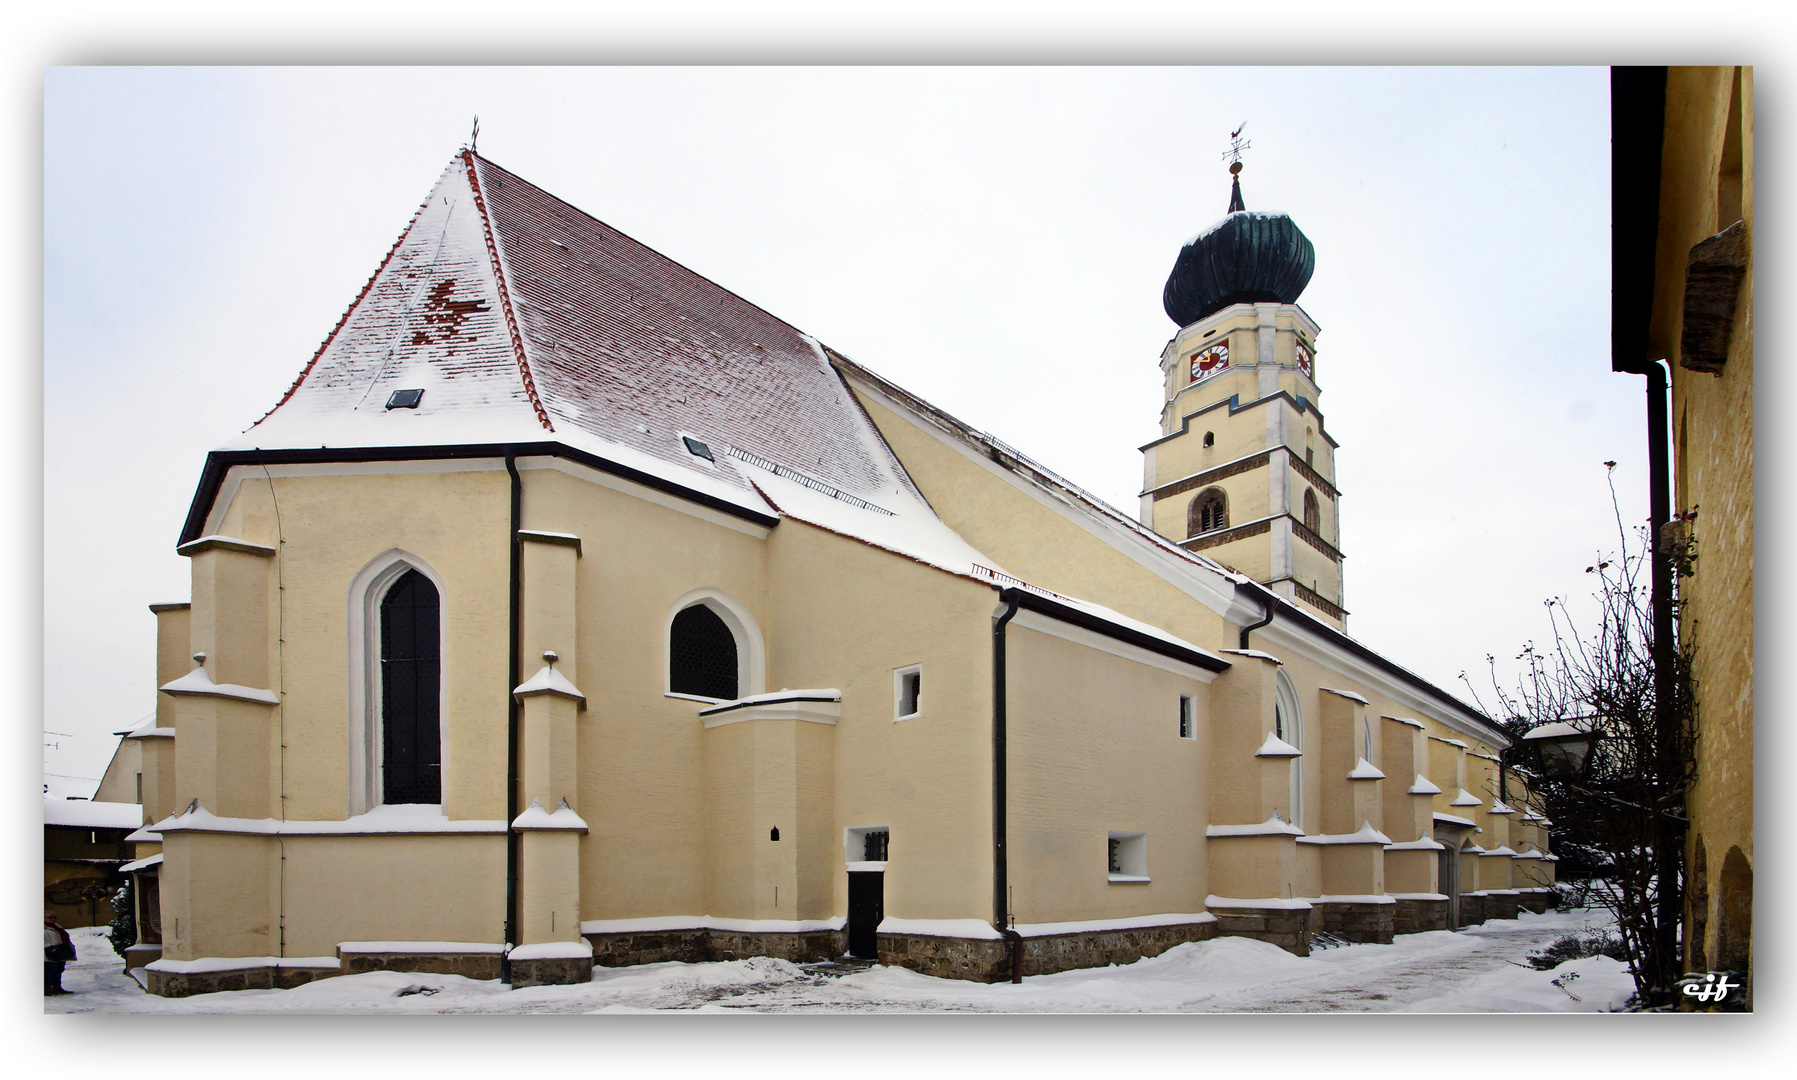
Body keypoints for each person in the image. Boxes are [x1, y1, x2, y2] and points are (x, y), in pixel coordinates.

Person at [44, 911, 74, 995]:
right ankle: (46, 988)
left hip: (60, 952)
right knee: (48, 971)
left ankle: (57, 987)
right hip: (48, 953)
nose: (53, 919)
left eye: (54, 917)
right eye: (50, 917)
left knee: (58, 970)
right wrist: (51, 947)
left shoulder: (57, 927)